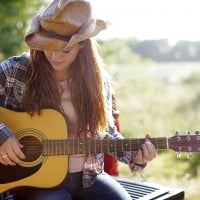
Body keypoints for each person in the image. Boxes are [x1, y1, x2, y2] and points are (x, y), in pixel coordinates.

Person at [0, 0, 157, 200]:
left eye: (65, 50)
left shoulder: (97, 81)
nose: (55, 56)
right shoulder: (18, 70)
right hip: (36, 181)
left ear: (82, 45)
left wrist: (135, 155)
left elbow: (106, 133)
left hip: (89, 177)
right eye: (48, 46)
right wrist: (3, 135)